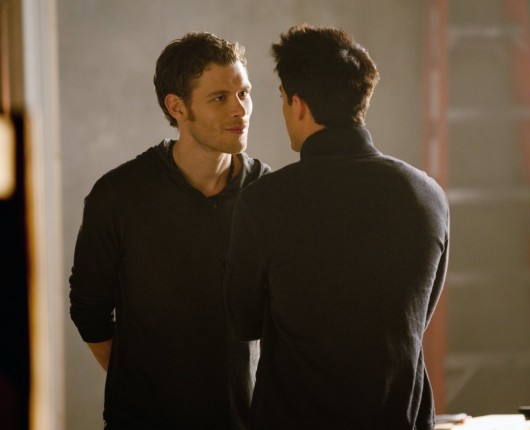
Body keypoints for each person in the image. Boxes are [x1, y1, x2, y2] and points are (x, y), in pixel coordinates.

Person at [223, 24, 450, 429]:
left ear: (297, 104)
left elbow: (245, 321)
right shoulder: (426, 195)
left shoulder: (265, 201)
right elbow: (416, 315)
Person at [68, 32, 270, 430]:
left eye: (244, 93)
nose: (240, 109)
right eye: (220, 98)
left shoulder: (268, 194)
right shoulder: (119, 194)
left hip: (242, 420)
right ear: (177, 107)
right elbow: (89, 310)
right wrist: (145, 389)